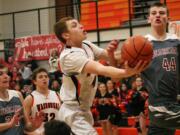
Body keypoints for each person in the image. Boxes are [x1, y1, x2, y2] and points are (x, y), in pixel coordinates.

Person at [54, 17, 148, 135]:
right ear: (66, 35)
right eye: (74, 25)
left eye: (79, 23)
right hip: (72, 111)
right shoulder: (69, 56)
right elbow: (102, 69)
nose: (81, 26)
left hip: (85, 109)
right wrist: (127, 72)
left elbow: (112, 57)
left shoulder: (86, 45)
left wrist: (121, 54)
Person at [141, 2, 180, 135]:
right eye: (154, 13)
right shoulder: (142, 44)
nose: (158, 15)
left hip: (174, 100)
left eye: (162, 13)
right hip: (159, 104)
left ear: (168, 19)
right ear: (149, 19)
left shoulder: (176, 41)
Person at [0, 64, 44, 135]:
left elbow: (26, 126)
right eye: (0, 74)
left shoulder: (18, 94)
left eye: (7, 73)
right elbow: (11, 124)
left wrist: (34, 125)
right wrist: (10, 124)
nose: (6, 76)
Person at [23, 68, 61, 135]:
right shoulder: (30, 98)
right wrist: (34, 130)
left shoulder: (57, 94)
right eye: (40, 77)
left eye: (46, 76)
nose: (44, 78)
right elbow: (25, 126)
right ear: (34, 81)